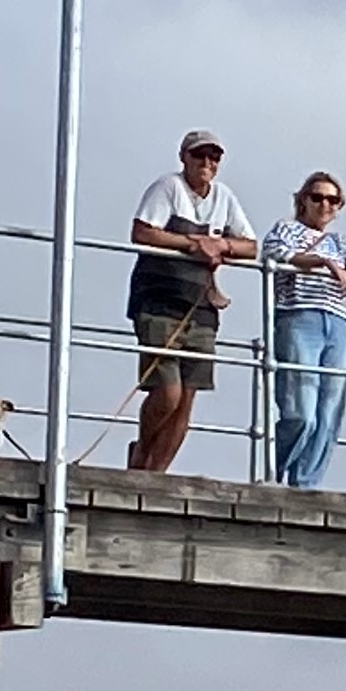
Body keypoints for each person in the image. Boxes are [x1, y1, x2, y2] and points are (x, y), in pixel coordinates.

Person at [124, 131, 256, 475]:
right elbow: (143, 232)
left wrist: (221, 247)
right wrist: (193, 243)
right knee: (167, 391)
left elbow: (250, 246)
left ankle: (157, 472)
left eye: (214, 158)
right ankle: (142, 456)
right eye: (200, 156)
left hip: (202, 308)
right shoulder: (167, 187)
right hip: (159, 301)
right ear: (184, 157)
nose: (207, 164)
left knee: (187, 398)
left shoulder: (224, 197)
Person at [257, 170, 346, 490]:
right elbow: (277, 255)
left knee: (329, 408)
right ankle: (275, 468)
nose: (324, 204)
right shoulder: (285, 229)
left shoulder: (341, 242)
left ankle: (304, 483)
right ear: (303, 200)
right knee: (300, 409)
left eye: (333, 199)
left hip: (338, 324)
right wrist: (325, 264)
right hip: (298, 316)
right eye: (317, 197)